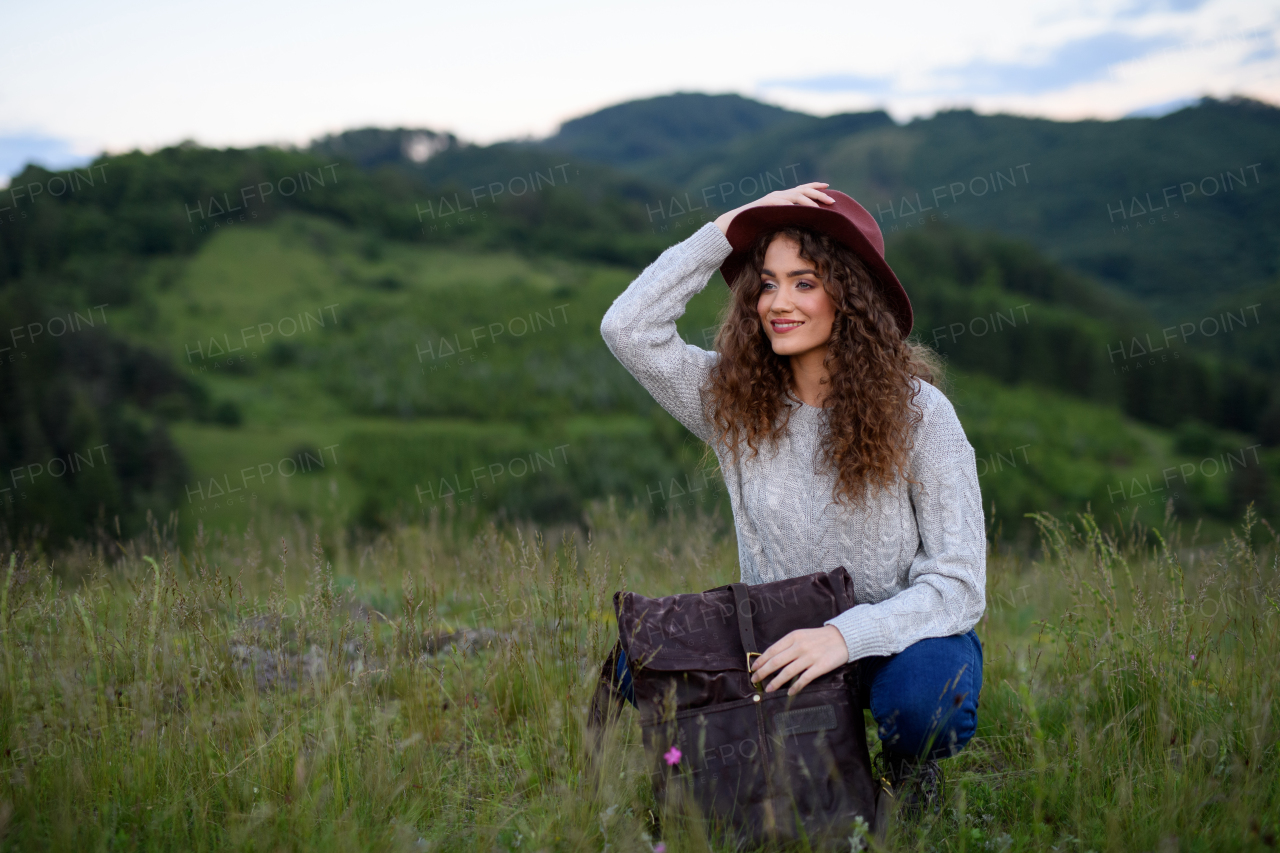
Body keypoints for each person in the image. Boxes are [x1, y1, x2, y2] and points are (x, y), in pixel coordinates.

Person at [599, 182, 986, 816]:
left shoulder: (923, 416)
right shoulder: (733, 401)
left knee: (923, 704)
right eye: (767, 282)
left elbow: (960, 583)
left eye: (804, 283)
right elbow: (628, 327)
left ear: (851, 296)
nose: (778, 303)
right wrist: (730, 226)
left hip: (902, 639)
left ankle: (910, 773)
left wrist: (845, 635)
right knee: (634, 675)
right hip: (782, 636)